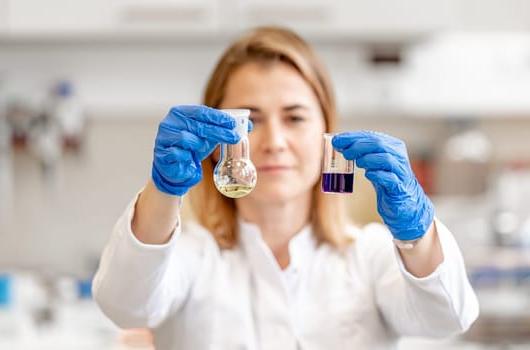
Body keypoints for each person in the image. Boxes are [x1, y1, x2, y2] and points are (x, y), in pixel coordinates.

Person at [93, 27, 479, 349]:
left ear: (325, 130)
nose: (275, 140)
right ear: (213, 139)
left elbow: (446, 317)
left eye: (294, 117)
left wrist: (419, 233)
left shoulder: (370, 255)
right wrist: (163, 190)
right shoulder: (191, 257)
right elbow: (127, 305)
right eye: (251, 121)